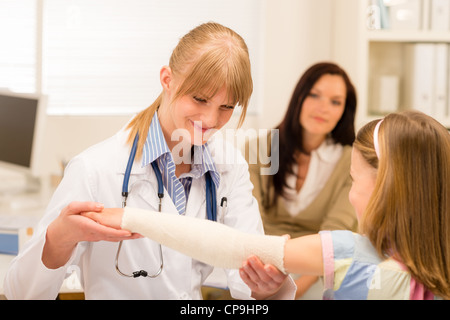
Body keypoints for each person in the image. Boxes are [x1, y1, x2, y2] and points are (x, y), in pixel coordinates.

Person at [4, 22, 295, 300]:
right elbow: (22, 294)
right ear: (167, 79)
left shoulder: (230, 167)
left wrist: (265, 286)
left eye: (227, 107)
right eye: (199, 99)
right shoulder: (94, 169)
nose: (210, 119)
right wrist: (58, 239)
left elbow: (249, 277)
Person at [84, 110, 450, 300]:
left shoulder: (352, 252)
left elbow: (229, 246)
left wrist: (128, 215)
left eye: (355, 181)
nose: (351, 192)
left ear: (386, 187)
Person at [244, 62, 358, 298]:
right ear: (299, 98)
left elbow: (336, 235)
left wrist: (294, 290)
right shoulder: (259, 148)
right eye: (314, 95)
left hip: (318, 268)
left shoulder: (353, 162)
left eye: (335, 102)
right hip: (260, 262)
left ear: (344, 112)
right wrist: (266, 281)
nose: (323, 107)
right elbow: (250, 222)